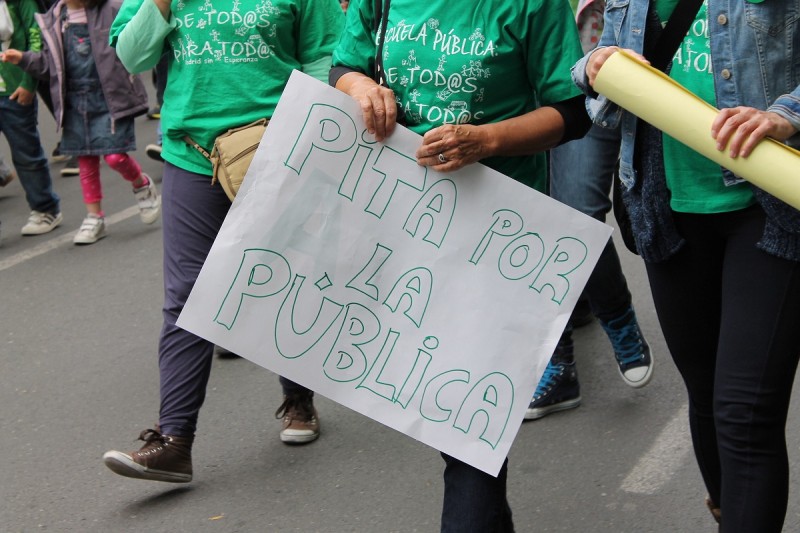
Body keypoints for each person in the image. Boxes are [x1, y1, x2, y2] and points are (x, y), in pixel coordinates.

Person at [331, 0, 590, 529]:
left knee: (465, 426)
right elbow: (343, 67)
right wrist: (360, 88)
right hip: (402, 225)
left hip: (498, 237)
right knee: (450, 420)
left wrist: (488, 139)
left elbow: (570, 112)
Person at [574, 0, 800, 529]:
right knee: (705, 393)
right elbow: (589, 57)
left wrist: (786, 113)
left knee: (744, 414)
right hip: (663, 203)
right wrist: (595, 66)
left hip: (768, 204)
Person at [100, 0, 344, 483]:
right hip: (192, 155)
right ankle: (175, 442)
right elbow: (133, 57)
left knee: (284, 279)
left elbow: (322, 55)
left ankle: (298, 398)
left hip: (279, 149)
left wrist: (301, 131)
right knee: (186, 296)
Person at [525, 0, 653, 421]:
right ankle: (557, 363)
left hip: (598, 80)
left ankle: (618, 318)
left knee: (575, 216)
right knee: (527, 217)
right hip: (518, 78)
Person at [3, 0, 160, 245]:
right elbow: (49, 64)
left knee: (114, 156)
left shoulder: (112, 9)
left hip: (109, 97)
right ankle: (94, 216)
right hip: (75, 101)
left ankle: (142, 184)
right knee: (85, 160)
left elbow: (136, 42)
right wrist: (23, 58)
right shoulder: (56, 17)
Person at [0, 0, 62, 237]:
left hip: (14, 91)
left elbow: (36, 36)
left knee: (26, 155)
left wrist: (28, 82)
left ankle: (45, 208)